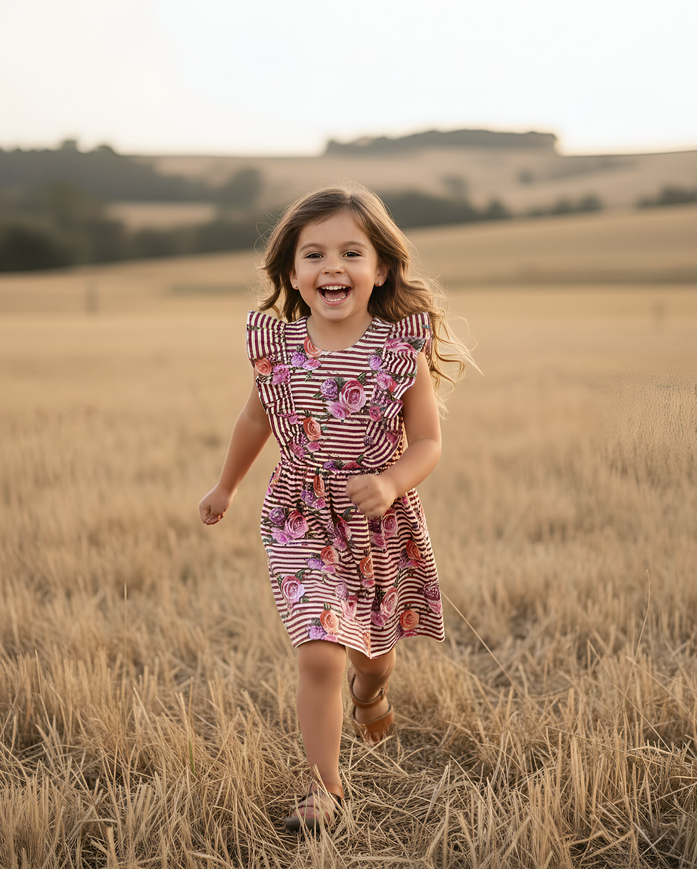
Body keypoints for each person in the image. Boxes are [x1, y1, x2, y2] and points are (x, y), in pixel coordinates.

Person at [199, 184, 471, 832]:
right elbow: (254, 419)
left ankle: (370, 692)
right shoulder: (280, 350)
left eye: (352, 251)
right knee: (320, 646)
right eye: (313, 253)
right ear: (292, 272)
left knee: (372, 655)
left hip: (377, 523)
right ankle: (326, 788)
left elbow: (429, 441)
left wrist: (393, 480)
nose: (332, 266)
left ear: (379, 269)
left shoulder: (400, 353)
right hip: (300, 512)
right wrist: (226, 485)